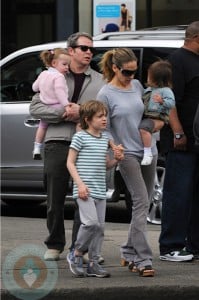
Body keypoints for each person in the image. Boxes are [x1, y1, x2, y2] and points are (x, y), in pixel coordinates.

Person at [29, 32, 105, 261]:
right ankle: (54, 244)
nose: (89, 52)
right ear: (71, 50)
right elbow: (35, 108)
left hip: (88, 146)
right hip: (57, 141)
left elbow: (102, 110)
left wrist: (80, 112)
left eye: (92, 49)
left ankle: (79, 248)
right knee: (54, 198)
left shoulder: (100, 80)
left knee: (85, 197)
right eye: (84, 48)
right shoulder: (53, 74)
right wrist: (65, 113)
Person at [97, 48, 157, 277]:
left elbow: (147, 114)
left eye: (134, 71)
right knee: (141, 202)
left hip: (147, 149)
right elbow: (104, 127)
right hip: (126, 153)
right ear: (114, 68)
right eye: (126, 72)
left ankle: (128, 251)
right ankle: (143, 259)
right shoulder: (106, 93)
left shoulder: (137, 86)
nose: (131, 76)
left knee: (146, 202)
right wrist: (114, 146)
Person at [66, 100, 124, 277]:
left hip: (100, 190)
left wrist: (117, 160)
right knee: (90, 223)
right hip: (84, 190)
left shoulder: (105, 139)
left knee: (99, 228)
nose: (104, 119)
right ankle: (76, 253)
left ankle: (93, 263)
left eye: (105, 115)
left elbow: (105, 164)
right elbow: (70, 162)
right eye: (100, 116)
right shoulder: (80, 137)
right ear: (88, 119)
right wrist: (80, 184)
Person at [159, 21, 199, 262]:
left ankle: (194, 244)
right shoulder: (176, 60)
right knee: (178, 193)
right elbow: (168, 100)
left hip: (198, 140)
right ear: (195, 37)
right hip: (181, 141)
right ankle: (170, 246)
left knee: (196, 195)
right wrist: (177, 132)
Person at [32, 48, 71, 160]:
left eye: (68, 65)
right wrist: (66, 105)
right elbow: (60, 93)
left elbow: (34, 87)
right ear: (54, 63)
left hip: (45, 105)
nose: (67, 68)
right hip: (57, 106)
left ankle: (36, 148)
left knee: (42, 127)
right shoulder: (59, 76)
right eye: (64, 64)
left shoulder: (43, 73)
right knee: (75, 115)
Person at [139, 60, 175, 165]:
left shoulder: (166, 91)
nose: (147, 78)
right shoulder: (149, 89)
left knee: (144, 129)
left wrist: (162, 101)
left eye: (149, 76)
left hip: (157, 117)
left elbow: (171, 103)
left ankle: (147, 153)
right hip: (147, 116)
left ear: (156, 79)